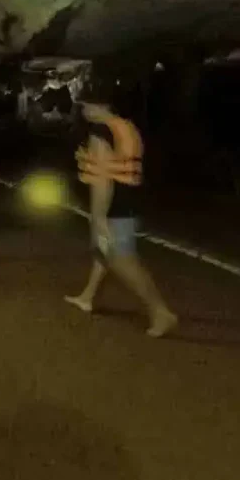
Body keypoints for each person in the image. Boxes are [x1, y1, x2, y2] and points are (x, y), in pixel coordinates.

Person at [65, 94, 178, 338]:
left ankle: (160, 312)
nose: (83, 109)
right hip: (130, 200)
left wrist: (98, 216)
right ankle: (88, 297)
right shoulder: (126, 126)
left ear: (100, 106)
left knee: (122, 259)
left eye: (86, 104)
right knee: (103, 251)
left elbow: (103, 179)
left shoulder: (100, 132)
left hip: (114, 206)